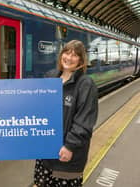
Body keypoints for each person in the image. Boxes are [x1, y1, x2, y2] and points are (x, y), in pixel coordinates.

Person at [34, 40, 98, 187]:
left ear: (81, 61)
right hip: (46, 152)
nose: (69, 58)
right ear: (61, 55)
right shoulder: (51, 77)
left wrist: (70, 146)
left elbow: (84, 121)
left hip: (67, 156)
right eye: (67, 53)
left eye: (75, 55)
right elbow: (39, 107)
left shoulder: (85, 84)